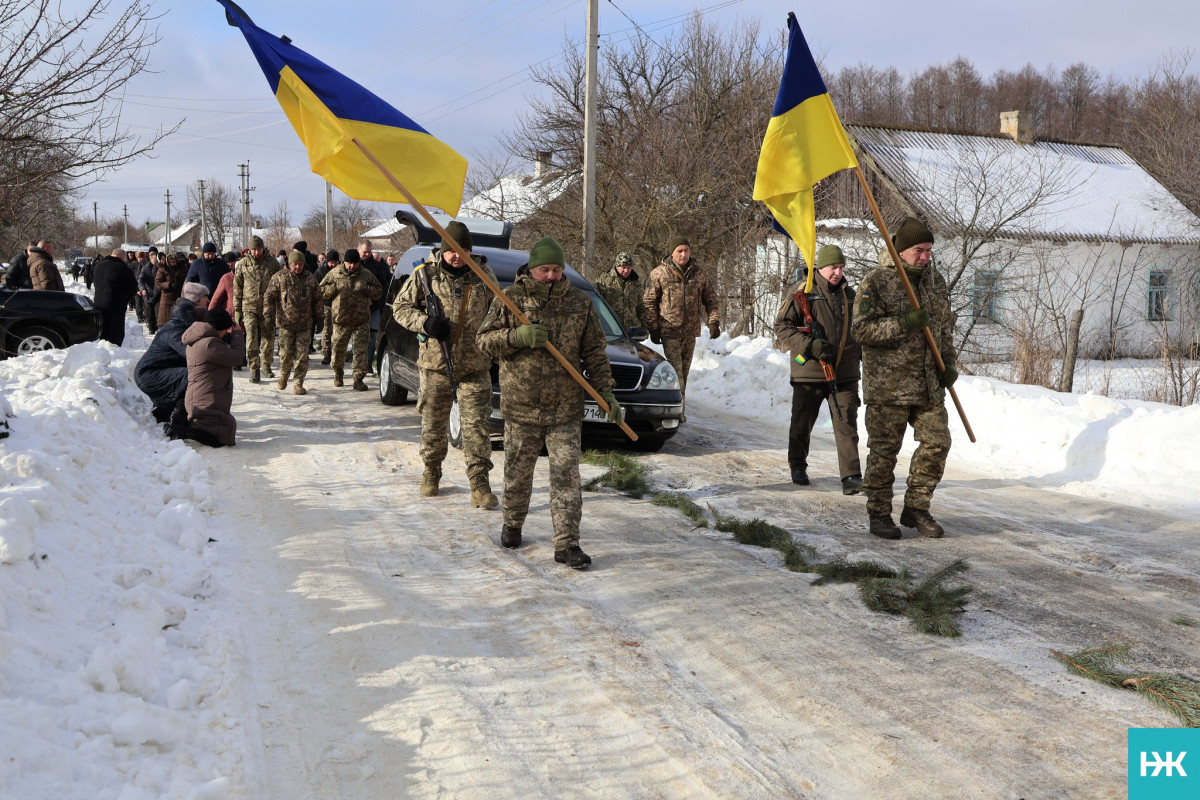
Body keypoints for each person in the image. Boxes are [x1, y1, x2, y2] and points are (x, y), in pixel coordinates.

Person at [477, 237, 619, 570]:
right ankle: (512, 524)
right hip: (522, 405)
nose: (552, 276)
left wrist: (606, 392)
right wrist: (517, 337)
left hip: (565, 408)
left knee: (566, 476)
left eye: (557, 269)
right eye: (545, 270)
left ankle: (567, 543)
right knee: (517, 472)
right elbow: (483, 341)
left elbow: (595, 353)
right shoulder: (510, 298)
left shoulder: (579, 303)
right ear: (532, 268)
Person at [851, 217, 958, 540]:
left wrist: (949, 364)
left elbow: (943, 329)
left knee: (938, 441)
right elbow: (861, 330)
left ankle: (916, 508)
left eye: (928, 250)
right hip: (889, 387)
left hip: (927, 384)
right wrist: (905, 323)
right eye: (918, 250)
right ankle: (879, 513)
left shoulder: (934, 282)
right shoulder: (878, 282)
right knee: (884, 453)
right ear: (901, 251)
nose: (925, 257)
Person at [392, 221, 499, 506]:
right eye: (452, 250)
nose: (457, 256)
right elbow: (401, 309)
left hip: (475, 366)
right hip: (435, 365)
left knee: (477, 428)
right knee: (433, 425)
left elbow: (500, 312)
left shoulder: (483, 275)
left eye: (463, 250)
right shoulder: (424, 274)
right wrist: (425, 323)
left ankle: (479, 485)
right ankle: (431, 472)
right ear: (443, 250)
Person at [775, 245, 863, 494]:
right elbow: (782, 326)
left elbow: (859, 332)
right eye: (833, 267)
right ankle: (798, 465)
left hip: (844, 373)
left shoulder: (851, 296)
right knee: (802, 422)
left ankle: (851, 476)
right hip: (810, 372)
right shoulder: (803, 293)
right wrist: (809, 345)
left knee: (846, 423)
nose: (837, 272)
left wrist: (861, 356)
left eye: (841, 267)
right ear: (820, 268)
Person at [642, 235, 719, 408]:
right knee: (675, 373)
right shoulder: (659, 273)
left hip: (690, 332)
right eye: (680, 251)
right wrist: (653, 328)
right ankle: (677, 409)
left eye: (686, 250)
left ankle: (678, 407)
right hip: (670, 331)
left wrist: (714, 322)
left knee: (684, 373)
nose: (683, 254)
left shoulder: (699, 273)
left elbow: (712, 299)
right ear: (672, 253)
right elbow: (648, 302)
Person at [136, 282, 210, 425]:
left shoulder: (186, 323)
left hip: (159, 370)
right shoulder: (176, 328)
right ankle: (179, 419)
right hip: (149, 374)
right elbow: (190, 352)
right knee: (194, 375)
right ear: (196, 300)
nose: (208, 300)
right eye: (205, 297)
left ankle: (164, 411)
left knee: (193, 373)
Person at [170, 308, 245, 447]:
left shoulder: (197, 339)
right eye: (225, 330)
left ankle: (185, 429)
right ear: (219, 328)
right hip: (207, 402)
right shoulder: (210, 344)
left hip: (199, 398)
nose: (225, 334)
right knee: (223, 436)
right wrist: (237, 334)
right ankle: (182, 432)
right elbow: (237, 357)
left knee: (221, 429)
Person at [319, 247, 381, 390]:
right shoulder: (334, 274)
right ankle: (338, 373)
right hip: (341, 320)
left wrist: (367, 289)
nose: (352, 266)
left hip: (361, 320)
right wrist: (333, 288)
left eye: (354, 263)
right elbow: (320, 291)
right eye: (349, 264)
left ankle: (358, 379)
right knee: (338, 349)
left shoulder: (366, 275)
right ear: (344, 263)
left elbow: (378, 291)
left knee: (360, 351)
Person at [263, 251, 323, 395]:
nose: (297, 267)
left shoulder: (310, 279)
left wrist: (320, 317)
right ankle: (284, 375)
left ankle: (298, 383)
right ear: (289, 264)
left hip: (305, 324)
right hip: (285, 324)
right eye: (295, 264)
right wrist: (268, 314)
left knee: (302, 356)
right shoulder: (279, 277)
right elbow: (269, 296)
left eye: (300, 264)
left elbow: (318, 299)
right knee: (285, 355)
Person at [233, 235, 281, 383]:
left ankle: (266, 366)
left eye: (259, 249)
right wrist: (237, 309)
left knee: (268, 338)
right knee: (251, 338)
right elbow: (237, 287)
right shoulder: (242, 264)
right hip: (249, 307)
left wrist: (278, 307)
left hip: (268, 307)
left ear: (263, 248)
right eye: (253, 249)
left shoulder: (272, 263)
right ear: (249, 249)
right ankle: (254, 369)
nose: (256, 252)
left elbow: (279, 285)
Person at [91, 248, 138, 345]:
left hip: (99, 303)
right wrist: (125, 298)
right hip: (116, 305)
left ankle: (103, 353)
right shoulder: (122, 268)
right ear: (122, 257)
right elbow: (133, 287)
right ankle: (115, 354)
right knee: (115, 334)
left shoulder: (99, 266)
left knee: (103, 332)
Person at [594, 251, 647, 335]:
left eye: (629, 268)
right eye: (624, 267)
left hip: (632, 331)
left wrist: (644, 329)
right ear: (617, 266)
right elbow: (597, 307)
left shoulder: (636, 284)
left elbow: (641, 307)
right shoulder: (604, 282)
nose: (626, 271)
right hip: (611, 330)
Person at [358, 239, 390, 375]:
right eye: (365, 252)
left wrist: (376, 302)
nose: (367, 255)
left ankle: (368, 363)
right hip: (356, 308)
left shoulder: (376, 266)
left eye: (369, 252)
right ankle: (358, 363)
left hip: (374, 306)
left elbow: (383, 286)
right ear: (358, 250)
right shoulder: (352, 264)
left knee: (373, 335)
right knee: (358, 336)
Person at [315, 250, 339, 365]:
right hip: (326, 305)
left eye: (335, 262)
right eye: (331, 262)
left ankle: (337, 354)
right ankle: (326, 353)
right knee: (327, 330)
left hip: (340, 306)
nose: (333, 265)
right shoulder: (320, 272)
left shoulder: (341, 272)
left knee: (338, 331)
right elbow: (316, 289)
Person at [155, 253, 189, 327]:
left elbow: (187, 279)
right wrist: (169, 285)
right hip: (167, 297)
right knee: (165, 321)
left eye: (174, 262)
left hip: (179, 296)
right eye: (170, 262)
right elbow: (158, 283)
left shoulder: (182, 268)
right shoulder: (163, 269)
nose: (172, 264)